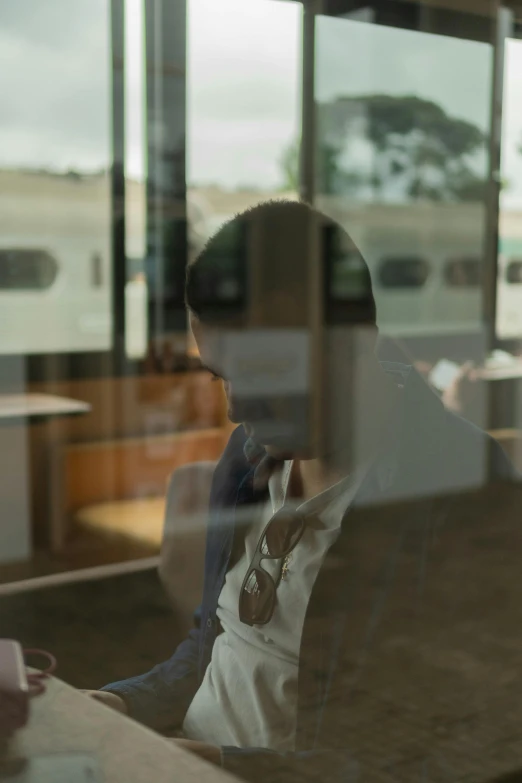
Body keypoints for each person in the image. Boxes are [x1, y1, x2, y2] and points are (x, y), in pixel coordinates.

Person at [85, 201, 517, 781]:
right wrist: (122, 705)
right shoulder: (244, 460)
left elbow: (426, 753)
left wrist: (230, 766)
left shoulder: (460, 488)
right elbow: (216, 643)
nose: (235, 406)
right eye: (222, 375)